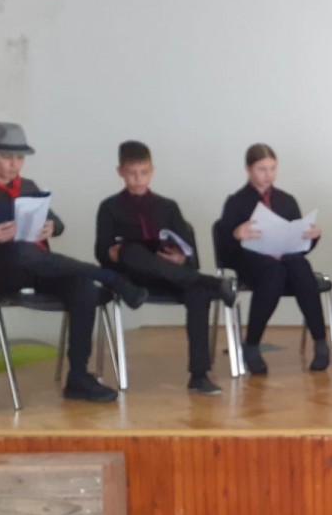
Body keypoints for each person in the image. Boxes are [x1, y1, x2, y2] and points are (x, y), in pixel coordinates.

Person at [0, 121, 148, 403]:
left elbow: (58, 223)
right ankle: (110, 277)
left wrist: (51, 227)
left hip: (40, 266)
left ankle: (78, 377)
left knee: (83, 287)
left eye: (20, 157)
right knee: (21, 251)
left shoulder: (29, 186)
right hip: (2, 271)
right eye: (7, 157)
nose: (15, 164)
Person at [95, 140, 235, 395]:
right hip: (133, 280)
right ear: (120, 172)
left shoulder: (168, 206)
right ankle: (214, 283)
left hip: (173, 276)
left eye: (144, 172)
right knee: (131, 250)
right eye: (132, 173)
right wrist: (113, 253)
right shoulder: (109, 207)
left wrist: (180, 259)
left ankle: (199, 375)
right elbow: (102, 253)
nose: (138, 179)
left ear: (152, 171)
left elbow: (190, 256)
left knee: (198, 292)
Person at [216, 143, 329, 375]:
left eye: (272, 168)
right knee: (274, 271)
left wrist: (311, 236)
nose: (268, 175)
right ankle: (252, 344)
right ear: (249, 170)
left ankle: (320, 341)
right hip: (253, 264)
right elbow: (225, 250)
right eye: (262, 169)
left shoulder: (286, 200)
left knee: (300, 265)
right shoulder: (236, 202)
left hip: (286, 262)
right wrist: (236, 234)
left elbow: (299, 246)